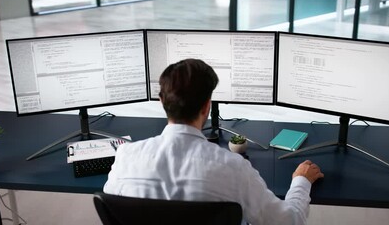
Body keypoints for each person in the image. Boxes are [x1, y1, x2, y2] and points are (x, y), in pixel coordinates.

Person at [104, 58, 324, 225]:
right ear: (207, 106)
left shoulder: (125, 157)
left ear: (162, 101)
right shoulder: (232, 168)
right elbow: (289, 221)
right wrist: (301, 182)